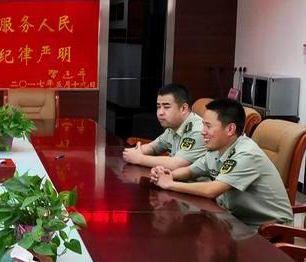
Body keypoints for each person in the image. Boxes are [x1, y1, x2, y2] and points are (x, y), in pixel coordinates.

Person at [150, 98, 293, 228]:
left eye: (208, 126)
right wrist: (167, 174)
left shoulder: (246, 153)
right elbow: (190, 171)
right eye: (203, 125)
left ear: (230, 129)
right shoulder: (216, 149)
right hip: (234, 219)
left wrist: (170, 184)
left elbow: (211, 190)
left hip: (268, 229)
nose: (202, 132)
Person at [123, 84, 207, 170]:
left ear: (183, 109)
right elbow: (153, 147)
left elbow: (177, 164)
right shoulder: (174, 126)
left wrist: (140, 158)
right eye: (158, 107)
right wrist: (133, 152)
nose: (160, 112)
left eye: (166, 107)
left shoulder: (199, 131)